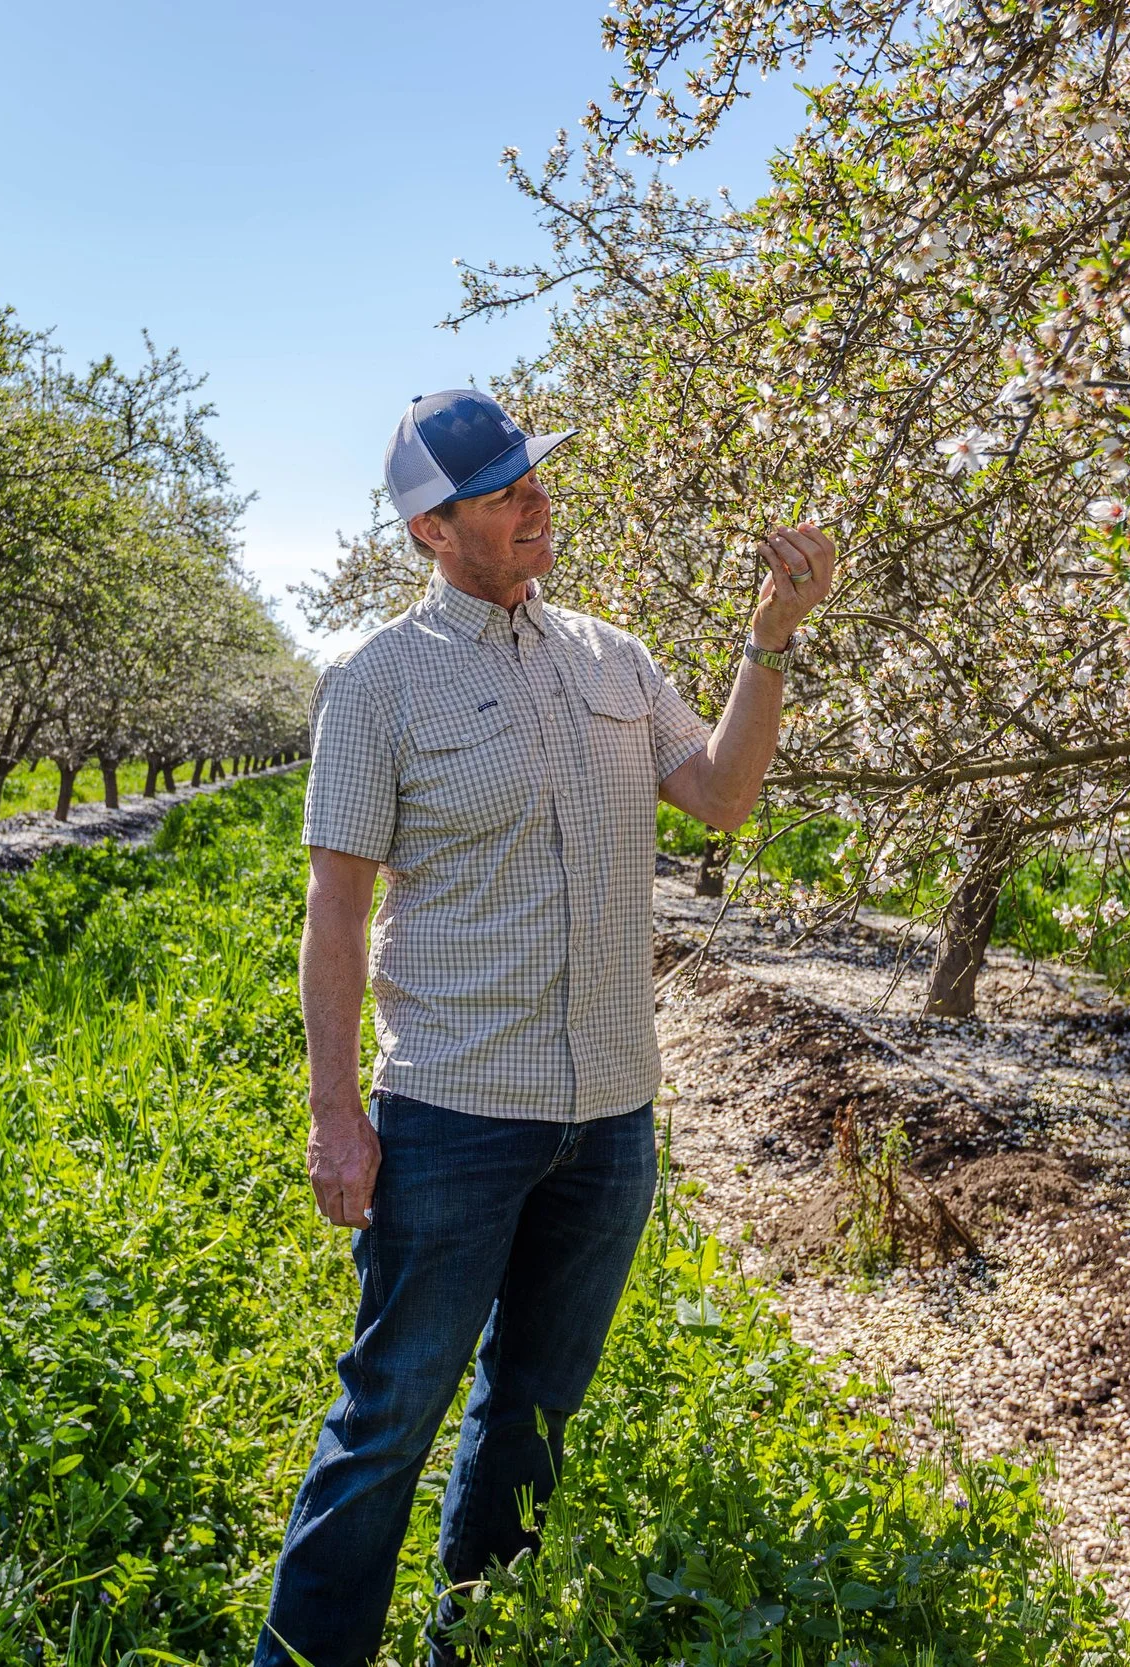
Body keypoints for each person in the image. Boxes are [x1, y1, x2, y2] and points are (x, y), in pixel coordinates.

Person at [256, 389, 836, 1666]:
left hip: (610, 1118)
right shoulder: (377, 683)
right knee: (388, 1415)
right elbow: (335, 913)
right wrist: (334, 1114)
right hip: (455, 1115)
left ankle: (479, 1638)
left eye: (535, 480)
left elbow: (724, 798)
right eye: (504, 490)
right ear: (430, 527)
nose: (536, 503)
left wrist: (770, 639)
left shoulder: (611, 657)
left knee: (532, 1415)